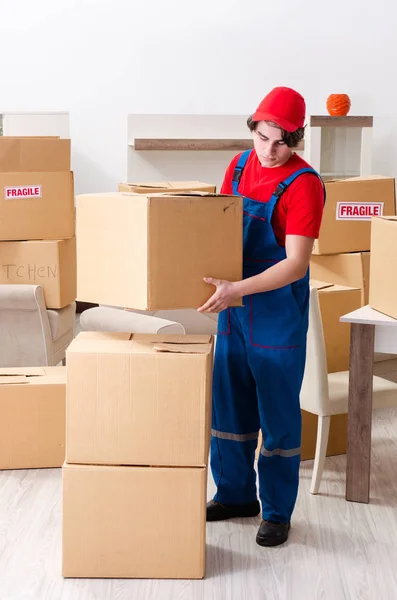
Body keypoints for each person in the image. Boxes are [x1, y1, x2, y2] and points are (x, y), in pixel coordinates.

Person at [197, 86, 325, 547]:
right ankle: (234, 496)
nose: (270, 151)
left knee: (278, 418)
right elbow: (214, 225)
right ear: (253, 127)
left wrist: (238, 291)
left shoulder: (304, 183)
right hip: (233, 308)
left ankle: (275, 512)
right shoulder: (237, 165)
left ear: (297, 140)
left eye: (282, 142)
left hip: (274, 315)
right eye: (263, 138)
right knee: (229, 406)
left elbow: (296, 263)